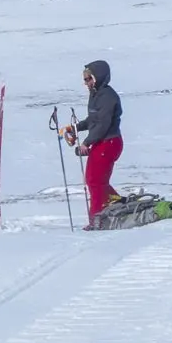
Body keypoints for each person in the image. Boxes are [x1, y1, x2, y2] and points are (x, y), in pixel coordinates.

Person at [64, 59, 124, 229]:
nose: (86, 83)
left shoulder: (107, 97)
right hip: (101, 142)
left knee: (95, 181)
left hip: (109, 142)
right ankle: (117, 203)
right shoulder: (96, 94)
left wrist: (86, 142)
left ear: (99, 77)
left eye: (89, 79)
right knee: (94, 180)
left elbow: (103, 124)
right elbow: (93, 120)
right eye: (85, 79)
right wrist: (75, 128)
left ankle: (96, 220)